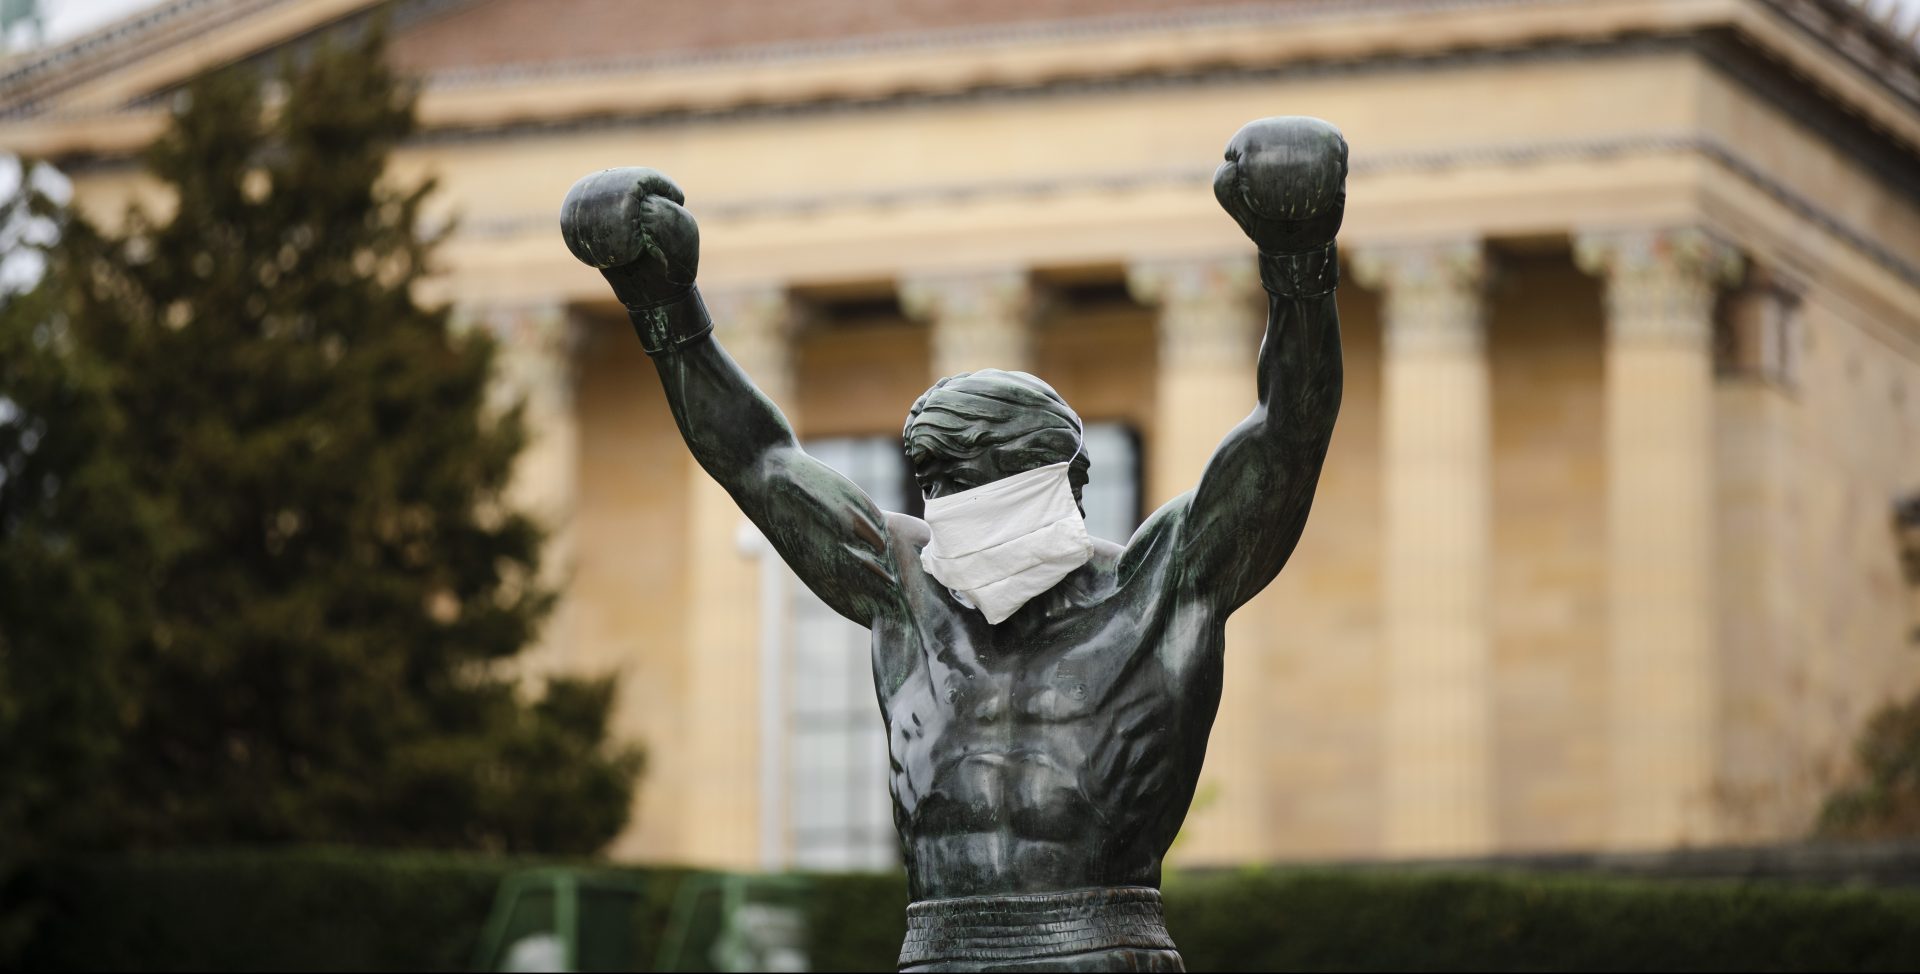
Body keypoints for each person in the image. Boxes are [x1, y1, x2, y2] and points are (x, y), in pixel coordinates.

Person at [560, 115, 1347, 973]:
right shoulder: (905, 589)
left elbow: (1288, 436)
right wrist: (663, 305)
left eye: (982, 478)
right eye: (935, 485)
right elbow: (756, 459)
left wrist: (1299, 265)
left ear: (1065, 482)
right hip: (937, 955)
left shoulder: (1164, 584)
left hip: (1101, 953)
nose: (950, 508)